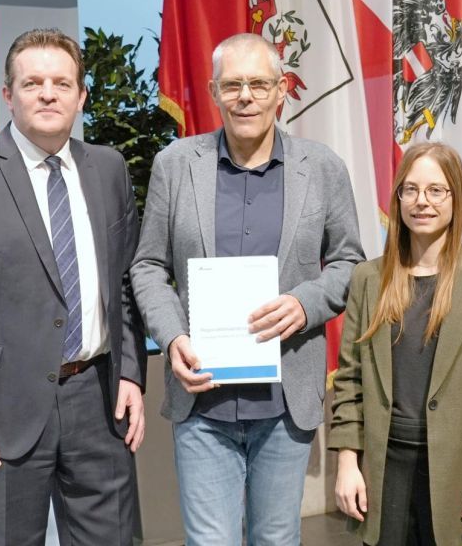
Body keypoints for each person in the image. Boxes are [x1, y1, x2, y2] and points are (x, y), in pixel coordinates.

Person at [0, 28, 147, 545]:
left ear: (81, 96)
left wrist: (131, 371)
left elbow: (127, 283)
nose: (47, 94)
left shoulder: (108, 169)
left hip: (99, 405)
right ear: (8, 94)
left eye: (62, 83)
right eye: (32, 83)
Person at [130, 32, 365, 545]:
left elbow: (351, 262)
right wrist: (172, 337)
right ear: (213, 92)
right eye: (232, 85)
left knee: (277, 540)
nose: (245, 97)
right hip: (202, 400)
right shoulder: (176, 164)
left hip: (285, 402)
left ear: (281, 90)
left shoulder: (322, 167)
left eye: (259, 84)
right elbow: (148, 265)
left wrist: (305, 303)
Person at [330, 142, 462, 545]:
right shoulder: (368, 278)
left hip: (460, 473)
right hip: (384, 472)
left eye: (436, 190)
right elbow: (349, 380)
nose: (422, 201)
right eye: (411, 189)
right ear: (398, 197)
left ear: (456, 197)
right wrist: (347, 463)